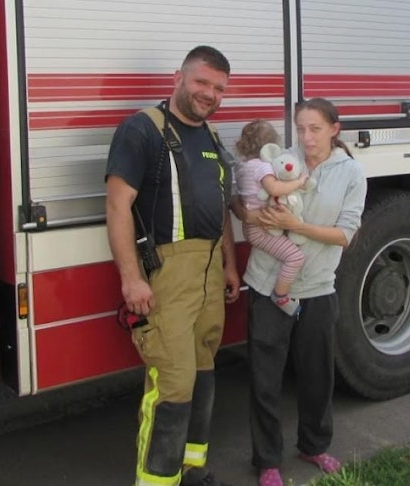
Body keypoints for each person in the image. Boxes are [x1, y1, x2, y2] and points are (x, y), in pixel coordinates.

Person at [105, 45, 241, 486]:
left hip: (208, 275)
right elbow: (118, 206)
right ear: (178, 78)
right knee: (174, 384)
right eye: (202, 82)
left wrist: (230, 264)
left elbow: (221, 209)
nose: (210, 94)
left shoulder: (213, 138)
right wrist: (131, 278)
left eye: (219, 88)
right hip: (166, 277)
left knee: (203, 374)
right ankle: (156, 482)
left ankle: (192, 470)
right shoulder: (141, 130)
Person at [232, 98, 367, 486]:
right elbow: (241, 198)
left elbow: (345, 234)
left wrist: (297, 225)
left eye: (316, 129)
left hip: (318, 288)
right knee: (265, 376)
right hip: (266, 284)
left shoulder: (352, 173)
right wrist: (249, 216)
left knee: (317, 374)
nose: (306, 137)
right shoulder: (276, 159)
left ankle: (314, 445)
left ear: (334, 129)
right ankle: (268, 459)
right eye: (301, 128)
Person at [233, 119, 309, 317]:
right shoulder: (262, 167)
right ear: (270, 146)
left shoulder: (242, 166)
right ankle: (280, 295)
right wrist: (299, 182)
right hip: (261, 227)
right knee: (295, 257)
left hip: (252, 226)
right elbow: (274, 189)